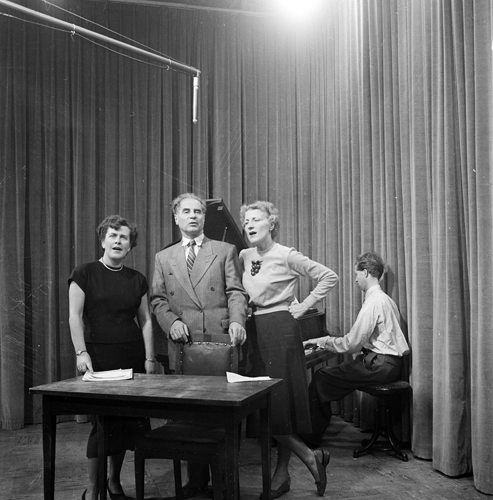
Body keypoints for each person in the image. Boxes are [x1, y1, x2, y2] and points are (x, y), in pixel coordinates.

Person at [151, 193, 248, 499]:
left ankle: (225, 481)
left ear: (204, 218)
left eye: (198, 212)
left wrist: (238, 321)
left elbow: (236, 292)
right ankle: (196, 480)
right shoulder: (163, 257)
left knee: (222, 415)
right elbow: (158, 300)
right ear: (176, 217)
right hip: (184, 344)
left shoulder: (225, 250)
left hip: (220, 343)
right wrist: (170, 322)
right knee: (190, 414)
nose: (192, 216)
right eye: (186, 211)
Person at [239, 201, 339, 499]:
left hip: (281, 329)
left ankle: (308, 458)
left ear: (271, 223)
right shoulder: (244, 255)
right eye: (246, 221)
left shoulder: (286, 254)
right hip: (256, 330)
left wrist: (305, 305)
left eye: (256, 219)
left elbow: (329, 276)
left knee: (278, 405)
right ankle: (284, 474)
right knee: (271, 406)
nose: (250, 225)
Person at [68, 215, 157, 500]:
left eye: (124, 237)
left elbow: (145, 320)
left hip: (131, 356)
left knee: (126, 424)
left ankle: (114, 483)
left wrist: (150, 358)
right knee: (102, 424)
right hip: (98, 357)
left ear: (130, 245)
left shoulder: (137, 279)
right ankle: (94, 491)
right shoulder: (84, 273)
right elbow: (74, 316)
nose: (118, 241)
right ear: (103, 240)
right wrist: (81, 352)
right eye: (113, 235)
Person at [301, 251, 410, 448]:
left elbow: (351, 344)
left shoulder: (373, 302)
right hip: (389, 365)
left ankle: (307, 439)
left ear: (366, 272)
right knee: (329, 378)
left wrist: (321, 341)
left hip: (379, 365)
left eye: (356, 274)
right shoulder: (386, 299)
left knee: (321, 378)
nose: (356, 280)